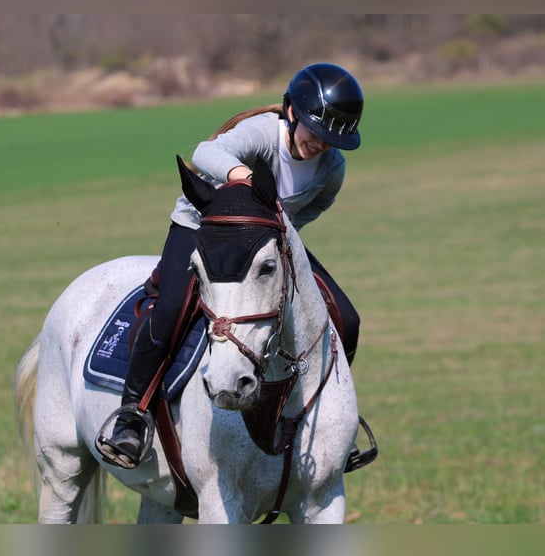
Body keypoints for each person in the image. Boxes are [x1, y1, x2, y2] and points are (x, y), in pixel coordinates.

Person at [96, 62, 364, 469]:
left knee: (346, 317)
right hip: (205, 227)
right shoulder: (261, 134)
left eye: (331, 140)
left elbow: (308, 213)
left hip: (266, 240)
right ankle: (133, 413)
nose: (322, 145)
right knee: (171, 309)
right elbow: (205, 153)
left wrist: (278, 243)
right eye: (316, 132)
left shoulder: (332, 171)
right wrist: (244, 179)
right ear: (292, 113)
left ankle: (324, 414)